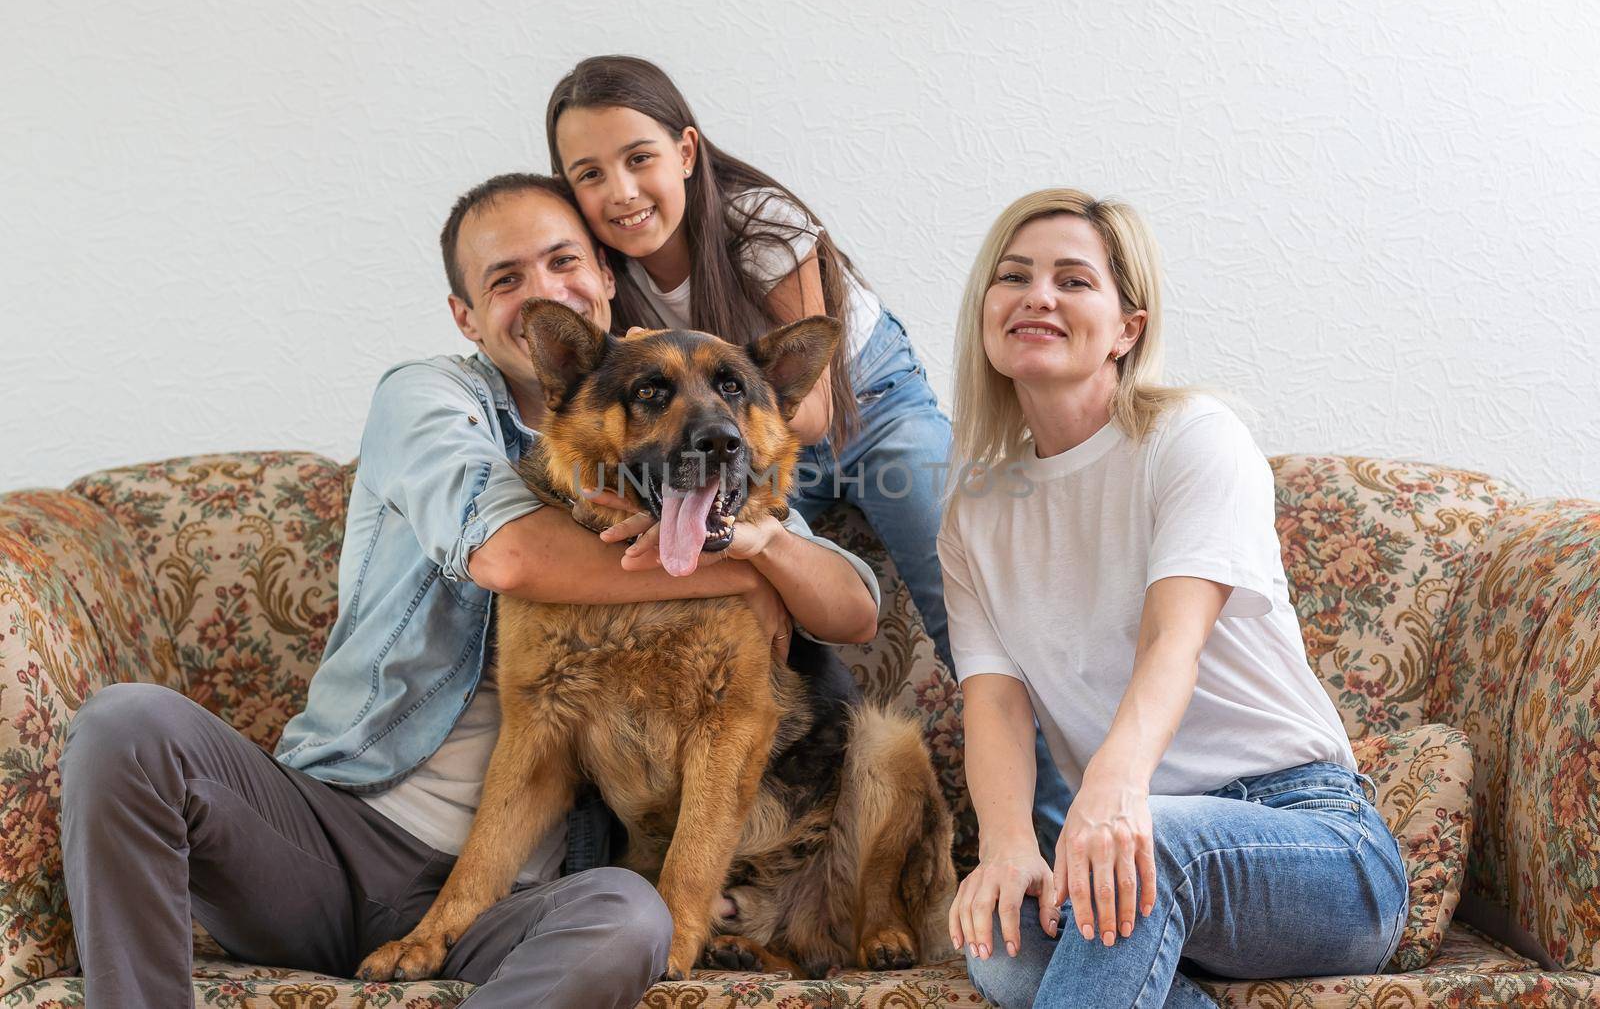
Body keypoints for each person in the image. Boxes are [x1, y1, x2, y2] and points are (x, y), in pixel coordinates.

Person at [59, 172, 880, 1008]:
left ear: (602, 273)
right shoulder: (428, 395)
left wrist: (767, 545)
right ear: (466, 314)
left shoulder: (689, 439)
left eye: (563, 262)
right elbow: (509, 554)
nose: (539, 295)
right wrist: (739, 563)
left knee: (634, 920)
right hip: (328, 834)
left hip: (519, 900)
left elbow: (850, 602)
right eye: (505, 280)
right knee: (127, 724)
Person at [543, 55, 1074, 838]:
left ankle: (1061, 831)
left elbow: (816, 414)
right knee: (692, 588)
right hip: (736, 437)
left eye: (639, 158)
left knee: (967, 599)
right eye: (589, 174)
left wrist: (755, 532)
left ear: (687, 152)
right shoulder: (603, 274)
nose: (619, 191)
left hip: (864, 406)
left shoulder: (762, 224)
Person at [939, 189, 1409, 1007]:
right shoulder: (975, 510)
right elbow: (996, 704)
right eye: (1013, 276)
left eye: (1074, 280)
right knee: (1004, 945)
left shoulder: (1191, 436)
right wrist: (1009, 843)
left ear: (1129, 328)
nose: (1037, 295)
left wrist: (1114, 794)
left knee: (1152, 850)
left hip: (1317, 842)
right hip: (1135, 846)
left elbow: (1172, 641)